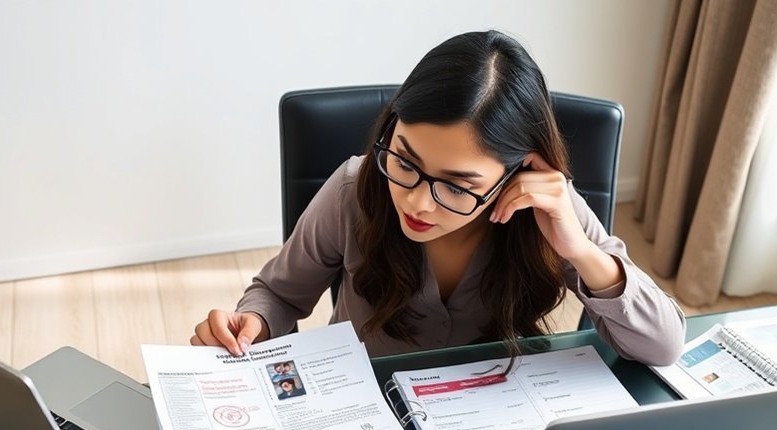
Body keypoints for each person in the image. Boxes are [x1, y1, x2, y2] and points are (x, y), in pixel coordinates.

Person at [192, 30, 685, 364]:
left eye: (456, 186)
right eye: (405, 162)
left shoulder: (549, 210)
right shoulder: (353, 189)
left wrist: (580, 250)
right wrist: (253, 322)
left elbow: (662, 346)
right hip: (366, 413)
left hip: (491, 416)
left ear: (517, 172)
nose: (417, 203)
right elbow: (279, 293)